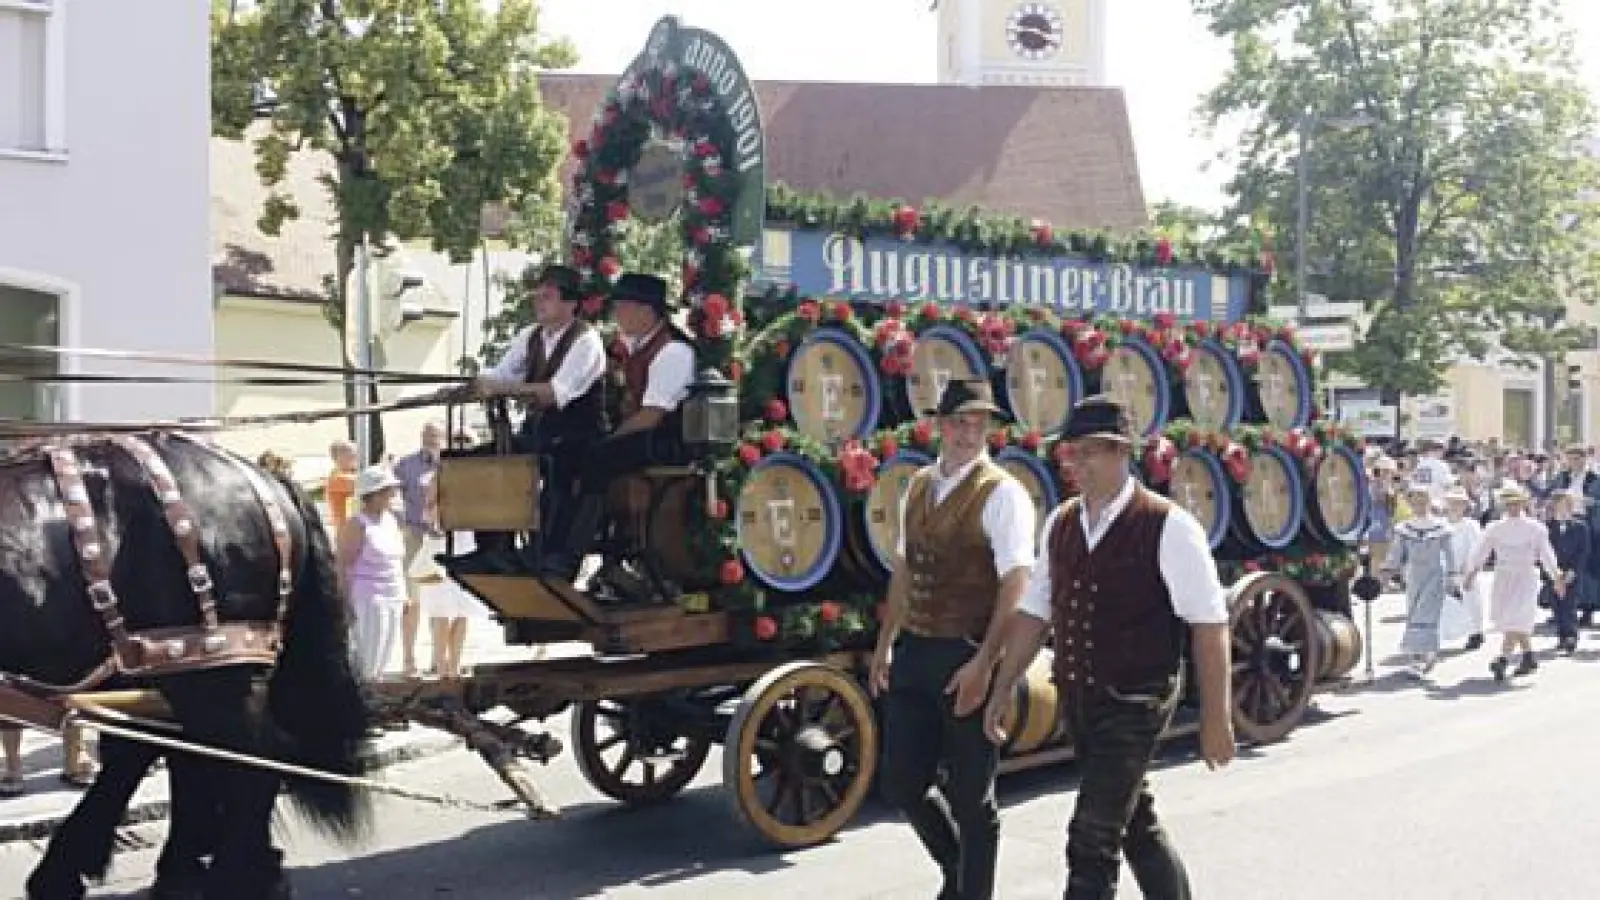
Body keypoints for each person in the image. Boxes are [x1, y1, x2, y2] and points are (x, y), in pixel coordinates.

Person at [985, 395, 1234, 900]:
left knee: (1092, 838)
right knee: (1134, 820)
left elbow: (1209, 626)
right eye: (1072, 453)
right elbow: (1036, 612)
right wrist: (1003, 684)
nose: (1077, 464)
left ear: (1121, 452)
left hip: (1138, 700)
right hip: (1081, 699)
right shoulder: (1060, 524)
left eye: (1089, 453)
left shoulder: (1168, 526)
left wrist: (1216, 717)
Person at [867, 379, 1035, 900]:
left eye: (978, 423)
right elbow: (902, 570)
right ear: (939, 425)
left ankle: (973, 891)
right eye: (960, 422)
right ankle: (956, 867)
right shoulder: (916, 484)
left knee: (971, 796)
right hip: (916, 650)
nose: (969, 433)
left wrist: (985, 664)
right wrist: (884, 645)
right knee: (901, 782)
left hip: (966, 653)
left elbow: (1016, 583)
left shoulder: (1002, 492)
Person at [449, 263, 608, 575]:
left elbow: (554, 393)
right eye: (538, 297)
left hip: (579, 436)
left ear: (570, 304)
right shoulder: (529, 336)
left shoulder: (586, 341)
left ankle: (549, 554)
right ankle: (494, 548)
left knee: (558, 465)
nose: (539, 303)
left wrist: (500, 387)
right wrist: (469, 386)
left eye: (547, 297)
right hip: (542, 432)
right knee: (484, 458)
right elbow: (501, 374)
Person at [539, 273, 697, 579]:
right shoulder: (635, 346)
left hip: (666, 440)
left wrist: (608, 439)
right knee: (565, 453)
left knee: (596, 458)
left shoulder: (673, 351)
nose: (617, 314)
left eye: (624, 307)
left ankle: (572, 554)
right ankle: (548, 547)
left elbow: (652, 415)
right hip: (643, 435)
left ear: (646, 312)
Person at [1463, 482, 1560, 682]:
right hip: (1504, 576)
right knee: (1509, 619)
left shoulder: (1535, 528)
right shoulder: (1495, 528)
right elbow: (1481, 550)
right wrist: (1472, 571)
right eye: (1509, 504)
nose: (1513, 508)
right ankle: (1528, 656)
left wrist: (1556, 576)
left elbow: (1546, 554)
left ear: (1523, 504)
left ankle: (1503, 658)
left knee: (1518, 617)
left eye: (1516, 503)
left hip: (1525, 576)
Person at [336, 465, 408, 681]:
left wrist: (404, 594)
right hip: (368, 598)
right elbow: (343, 565)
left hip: (393, 594)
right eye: (387, 491)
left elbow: (396, 561)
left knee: (384, 657)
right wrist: (344, 602)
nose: (392, 495)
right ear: (373, 495)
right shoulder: (357, 524)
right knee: (368, 658)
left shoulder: (391, 520)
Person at [1381, 481, 1456, 677]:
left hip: (1434, 574)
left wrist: (1452, 577)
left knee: (1427, 614)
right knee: (1413, 613)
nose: (1420, 505)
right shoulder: (1404, 528)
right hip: (1414, 575)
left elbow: (1450, 554)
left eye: (1423, 501)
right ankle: (1417, 655)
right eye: (1415, 501)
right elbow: (1396, 553)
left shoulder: (1441, 527)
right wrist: (1387, 570)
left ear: (1430, 502)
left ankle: (1423, 657)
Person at [393, 422, 446, 677]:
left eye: (435, 435)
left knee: (441, 601)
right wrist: (404, 521)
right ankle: (408, 659)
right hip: (415, 536)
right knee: (412, 600)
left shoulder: (451, 464)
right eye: (427, 435)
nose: (431, 439)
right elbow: (392, 495)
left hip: (444, 539)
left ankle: (439, 658)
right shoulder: (407, 464)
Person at [1541, 487, 1588, 654]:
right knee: (1557, 605)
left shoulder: (1580, 526)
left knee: (1570, 604)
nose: (1560, 508)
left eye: (1563, 504)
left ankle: (1571, 636)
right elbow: (1544, 551)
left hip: (1572, 572)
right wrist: (1553, 573)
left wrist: (1572, 571)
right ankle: (1562, 635)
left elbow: (1583, 551)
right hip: (1553, 572)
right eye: (1556, 505)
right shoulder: (1547, 528)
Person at [1439, 486, 1486, 651]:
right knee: (1449, 604)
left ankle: (1477, 632)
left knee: (1472, 601)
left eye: (1459, 503)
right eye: (1452, 503)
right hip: (1447, 570)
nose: (1455, 506)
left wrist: (1471, 570)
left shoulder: (1471, 525)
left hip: (1466, 570)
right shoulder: (1441, 525)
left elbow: (1477, 548)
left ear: (1465, 506)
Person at [324, 439, 360, 529]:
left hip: (355, 528)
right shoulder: (337, 478)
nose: (356, 456)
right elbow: (365, 484)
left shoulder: (349, 474)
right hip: (347, 531)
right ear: (339, 457)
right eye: (351, 453)